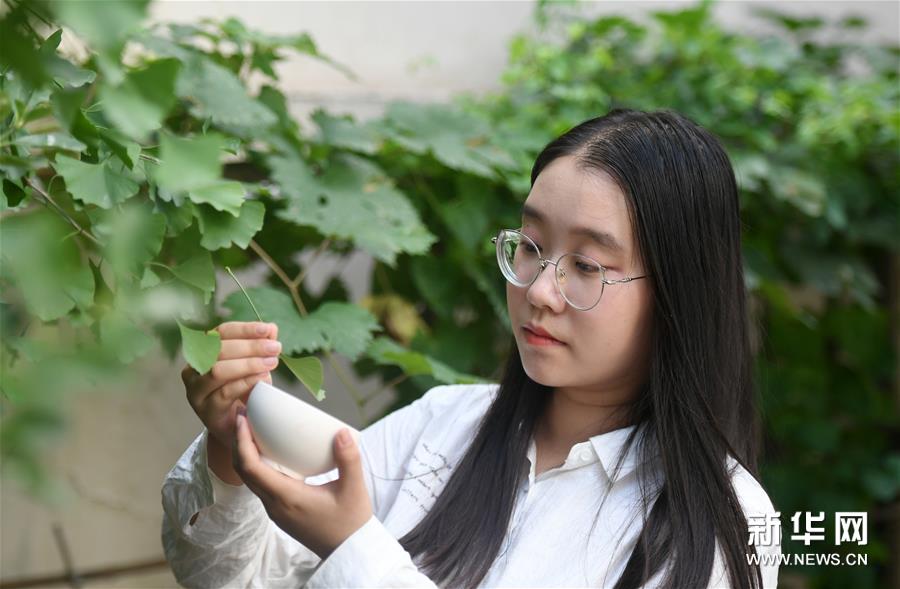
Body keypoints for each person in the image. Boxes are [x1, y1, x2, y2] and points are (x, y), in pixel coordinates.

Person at [162, 108, 782, 588]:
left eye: (588, 266)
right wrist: (230, 453)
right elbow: (235, 578)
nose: (539, 291)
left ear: (678, 290)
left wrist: (353, 548)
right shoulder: (443, 424)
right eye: (531, 246)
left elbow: (346, 548)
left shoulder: (729, 526)